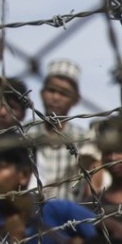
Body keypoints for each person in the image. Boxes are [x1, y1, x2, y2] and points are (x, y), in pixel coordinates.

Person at [27, 60, 89, 200]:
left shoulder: (83, 140)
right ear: (42, 93)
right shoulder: (26, 136)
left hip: (69, 218)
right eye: (51, 90)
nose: (55, 97)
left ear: (75, 100)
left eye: (63, 93)